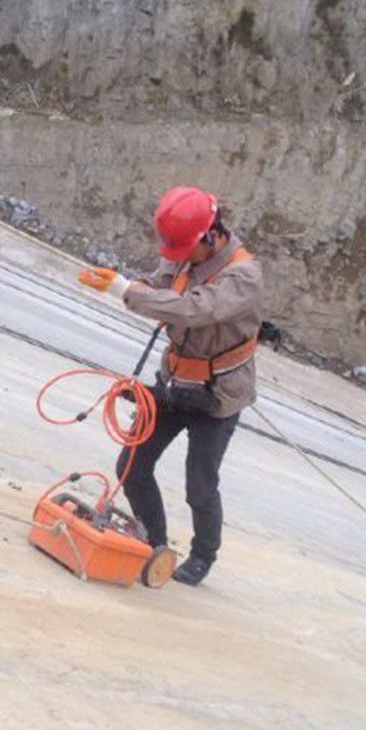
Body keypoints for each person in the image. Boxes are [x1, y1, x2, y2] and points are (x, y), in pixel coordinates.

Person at [78, 186, 265, 586]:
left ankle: (202, 555)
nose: (178, 262)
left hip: (218, 396)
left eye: (185, 252)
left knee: (200, 485)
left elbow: (194, 310)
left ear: (212, 235)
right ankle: (155, 545)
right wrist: (133, 286)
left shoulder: (243, 276)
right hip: (175, 384)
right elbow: (158, 284)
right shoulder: (184, 259)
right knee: (131, 465)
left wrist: (125, 292)